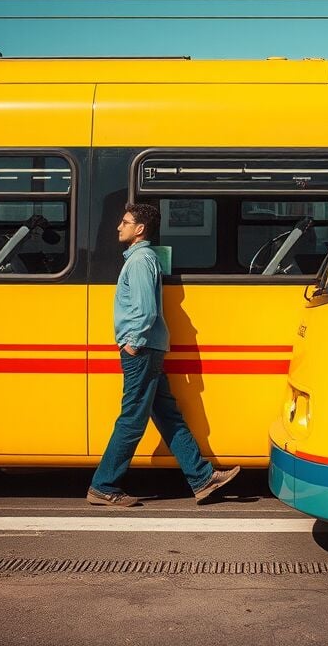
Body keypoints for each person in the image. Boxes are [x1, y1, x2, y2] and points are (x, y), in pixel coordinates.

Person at [87, 203, 240, 507]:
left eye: (125, 222)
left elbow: (145, 310)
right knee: (156, 417)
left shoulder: (141, 260)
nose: (119, 227)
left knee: (141, 418)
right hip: (146, 349)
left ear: (140, 229)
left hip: (142, 349)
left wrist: (134, 342)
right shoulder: (141, 259)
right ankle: (197, 478)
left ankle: (107, 484)